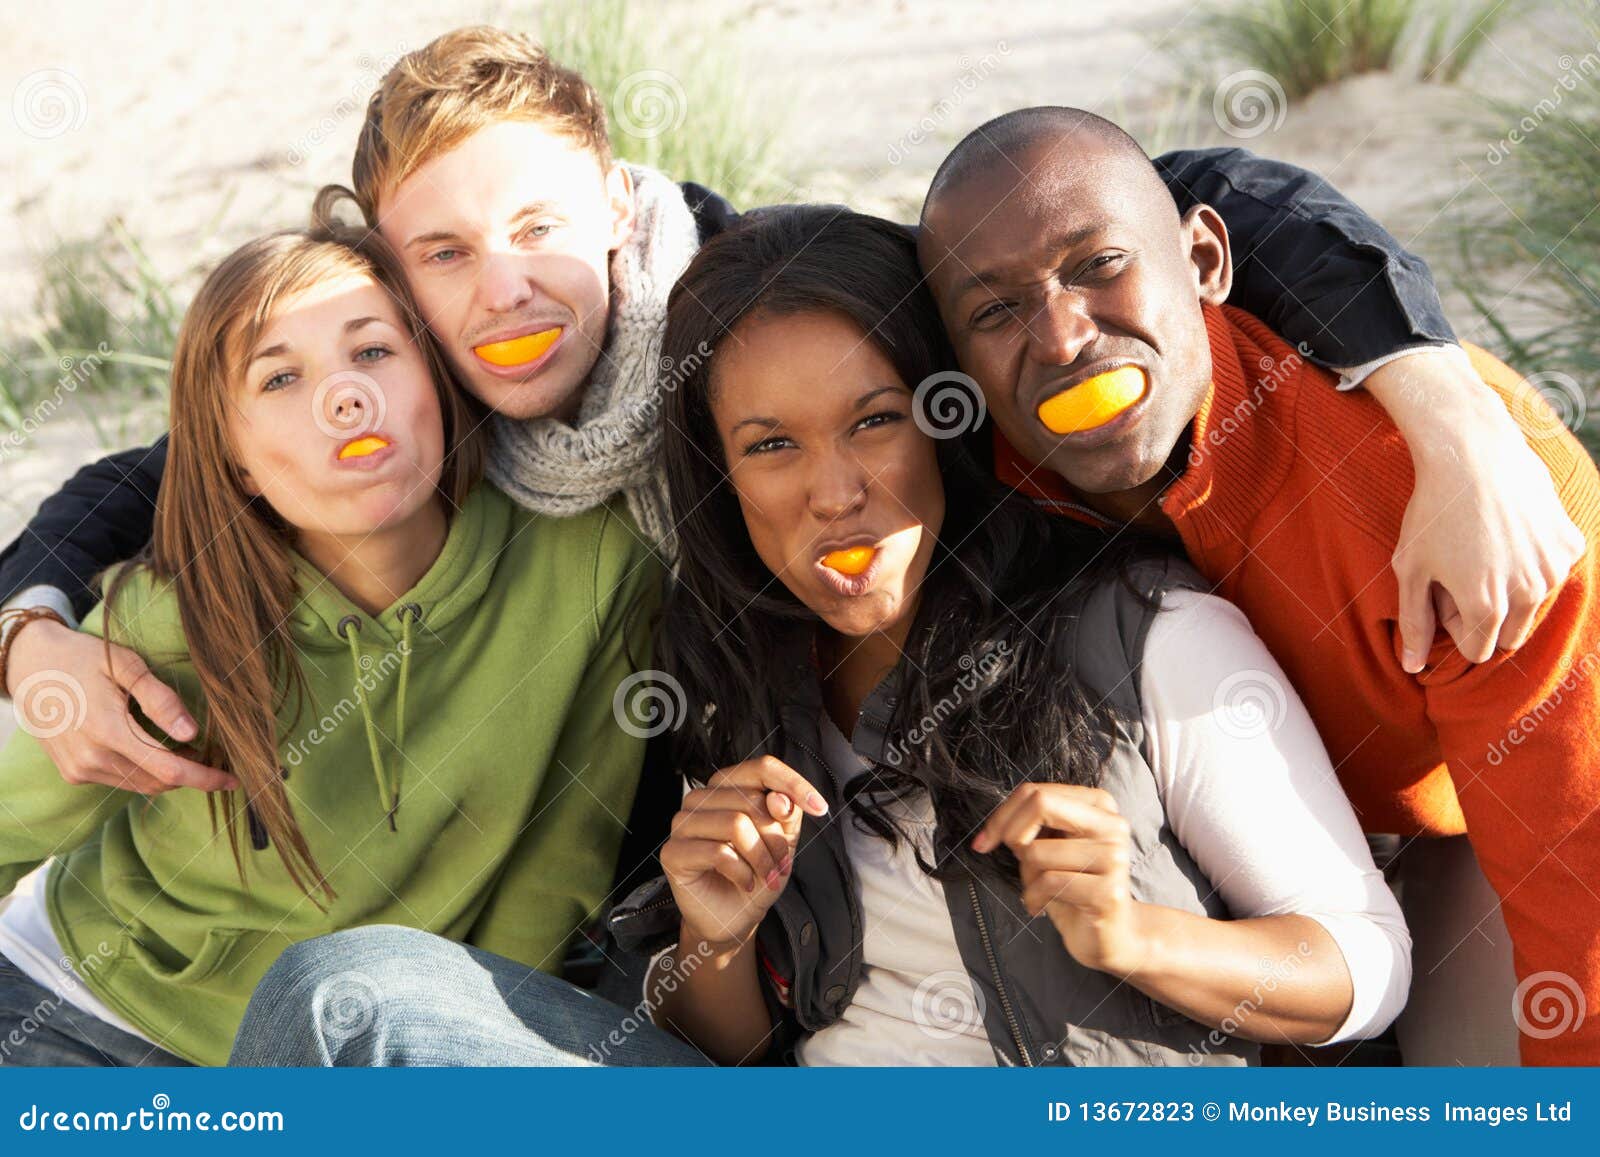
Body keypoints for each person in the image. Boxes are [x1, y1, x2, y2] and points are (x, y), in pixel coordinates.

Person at [0, 26, 1580, 822]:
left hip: (1155, 736)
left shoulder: (772, 302)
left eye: (539, 230)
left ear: (618, 209)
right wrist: (34, 630)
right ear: (397, 274)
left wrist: (1441, 401)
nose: (507, 294)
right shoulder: (440, 392)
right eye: (445, 257)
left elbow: (1193, 200)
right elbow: (163, 474)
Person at [227, 208, 1409, 1068]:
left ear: (947, 423)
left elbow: (1367, 966)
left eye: (874, 422)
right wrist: (715, 932)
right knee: (344, 993)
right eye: (771, 446)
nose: (832, 491)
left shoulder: (1146, 637)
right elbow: (726, 1046)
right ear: (724, 476)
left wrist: (1139, 936)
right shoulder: (735, 671)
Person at [914, 106, 1600, 1066]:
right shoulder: (964, 472)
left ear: (1204, 262)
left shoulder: (1469, 506)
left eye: (1099, 267)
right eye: (995, 312)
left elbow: (1576, 886)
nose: (1063, 338)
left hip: (1464, 848)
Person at [0, 222, 658, 1066]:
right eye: (280, 377)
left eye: (374, 352)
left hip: (353, 1042)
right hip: (78, 1005)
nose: (341, 398)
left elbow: (559, 861)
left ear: (439, 379)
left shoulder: (591, 564)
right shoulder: (177, 615)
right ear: (236, 463)